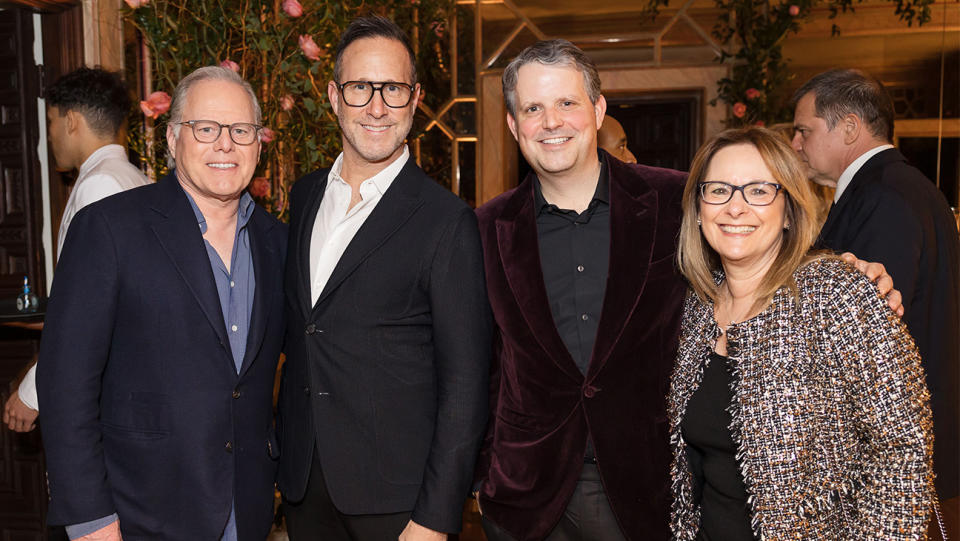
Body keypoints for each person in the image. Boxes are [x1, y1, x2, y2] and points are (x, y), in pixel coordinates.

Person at [473, 39, 904, 541]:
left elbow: (752, 243)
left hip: (644, 489)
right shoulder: (484, 227)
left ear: (597, 109)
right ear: (512, 124)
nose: (552, 122)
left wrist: (845, 272)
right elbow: (479, 363)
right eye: (532, 108)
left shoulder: (677, 199)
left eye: (567, 102)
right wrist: (485, 475)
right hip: (523, 497)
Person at [37, 66, 286, 541]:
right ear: (172, 139)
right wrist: (90, 519)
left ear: (258, 143)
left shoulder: (278, 244)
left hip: (246, 511)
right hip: (138, 516)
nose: (225, 144)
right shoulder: (109, 229)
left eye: (241, 130)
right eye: (206, 128)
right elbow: (65, 384)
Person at [277, 16, 491, 541]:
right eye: (359, 88)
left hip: (399, 503)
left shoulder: (447, 221)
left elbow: (466, 383)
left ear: (415, 98)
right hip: (306, 486)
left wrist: (436, 518)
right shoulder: (304, 197)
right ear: (333, 96)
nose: (376, 107)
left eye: (392, 89)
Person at [670, 126, 934, 539]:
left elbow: (902, 450)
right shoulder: (696, 305)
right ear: (699, 207)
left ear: (789, 209)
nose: (735, 208)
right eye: (718, 190)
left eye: (758, 191)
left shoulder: (838, 295)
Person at [792, 68, 959, 510]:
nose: (795, 144)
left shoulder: (884, 195)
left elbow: (865, 339)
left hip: (889, 455)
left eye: (803, 130)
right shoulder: (897, 186)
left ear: (848, 127)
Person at [3, 67, 149, 433]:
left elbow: (92, 309)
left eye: (51, 121)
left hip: (109, 388)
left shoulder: (100, 185)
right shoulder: (131, 177)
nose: (49, 134)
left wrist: (33, 390)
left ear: (71, 121)